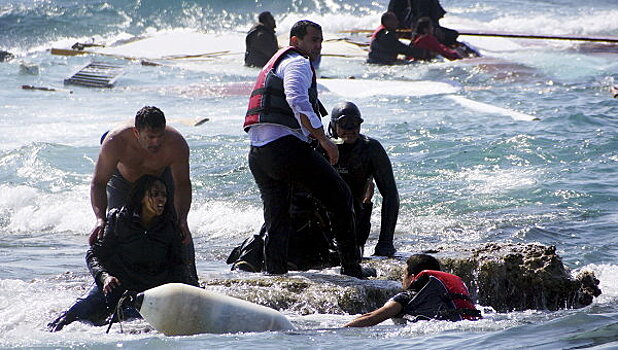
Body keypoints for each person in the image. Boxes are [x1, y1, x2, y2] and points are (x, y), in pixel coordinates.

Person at [243, 20, 364, 278]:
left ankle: (275, 273)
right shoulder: (297, 62)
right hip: (284, 149)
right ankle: (352, 269)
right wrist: (324, 139)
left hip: (258, 153)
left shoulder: (274, 63)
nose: (318, 46)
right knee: (340, 196)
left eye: (321, 40)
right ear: (295, 41)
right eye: (313, 40)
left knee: (277, 214)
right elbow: (296, 99)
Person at [48, 175, 198, 332]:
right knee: (70, 317)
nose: (162, 199)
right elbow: (93, 254)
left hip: (147, 292)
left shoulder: (170, 228)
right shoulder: (118, 220)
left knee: (132, 323)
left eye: (164, 195)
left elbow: (178, 266)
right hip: (114, 286)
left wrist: (187, 296)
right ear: (142, 197)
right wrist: (105, 278)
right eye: (155, 194)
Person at [89, 106, 198, 285]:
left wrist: (182, 219)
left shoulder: (176, 144)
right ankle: (108, 283)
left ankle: (190, 284)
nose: (156, 143)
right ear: (136, 132)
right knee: (113, 227)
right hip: (123, 181)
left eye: (160, 136)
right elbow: (98, 183)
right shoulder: (115, 141)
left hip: (160, 179)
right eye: (150, 137)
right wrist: (100, 218)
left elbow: (182, 184)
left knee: (177, 230)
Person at [327, 102, 399, 257]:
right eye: (344, 124)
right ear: (333, 125)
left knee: (352, 255)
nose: (350, 130)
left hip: (356, 218)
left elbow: (391, 195)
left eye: (355, 124)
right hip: (325, 218)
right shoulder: (323, 147)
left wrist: (385, 243)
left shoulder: (370, 149)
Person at [344, 254, 481, 327]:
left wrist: (342, 330)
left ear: (412, 277)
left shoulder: (407, 296)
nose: (402, 278)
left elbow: (372, 318)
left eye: (404, 274)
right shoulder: (447, 296)